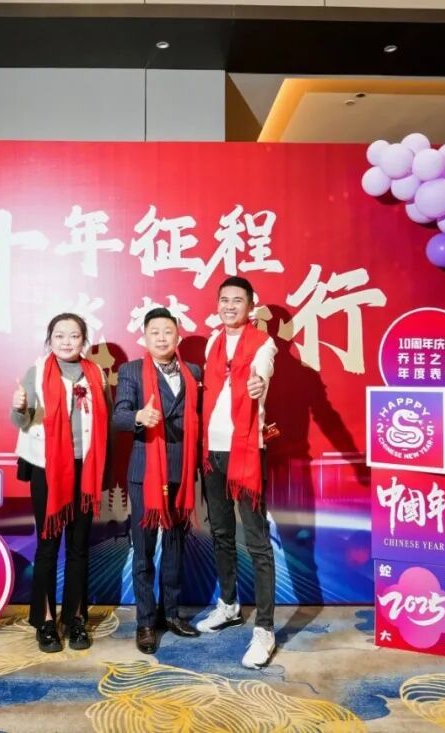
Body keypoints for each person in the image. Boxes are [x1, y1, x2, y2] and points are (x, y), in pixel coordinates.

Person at [11, 313, 109, 653]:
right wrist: (19, 407)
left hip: (86, 468)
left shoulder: (96, 374)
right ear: (49, 340)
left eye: (74, 336)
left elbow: (106, 420)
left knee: (79, 547)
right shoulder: (36, 372)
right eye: (59, 336)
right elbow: (21, 420)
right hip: (48, 468)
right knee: (48, 545)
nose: (67, 342)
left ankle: (76, 618)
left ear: (84, 340)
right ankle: (46, 621)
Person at [195, 276, 280, 669]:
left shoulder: (263, 344)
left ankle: (265, 629)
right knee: (221, 532)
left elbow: (262, 376)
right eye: (224, 300)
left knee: (258, 542)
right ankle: (229, 605)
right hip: (212, 450)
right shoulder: (213, 342)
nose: (230, 306)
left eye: (238, 300)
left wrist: (259, 384)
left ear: (250, 305)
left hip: (245, 449)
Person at [112, 307, 203, 654]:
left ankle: (172, 613)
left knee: (176, 547)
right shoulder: (131, 371)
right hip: (146, 472)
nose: (162, 338)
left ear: (177, 335)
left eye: (168, 331)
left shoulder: (193, 372)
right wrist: (139, 415)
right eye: (155, 332)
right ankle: (146, 622)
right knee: (144, 550)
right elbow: (118, 416)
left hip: (181, 471)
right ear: (145, 337)